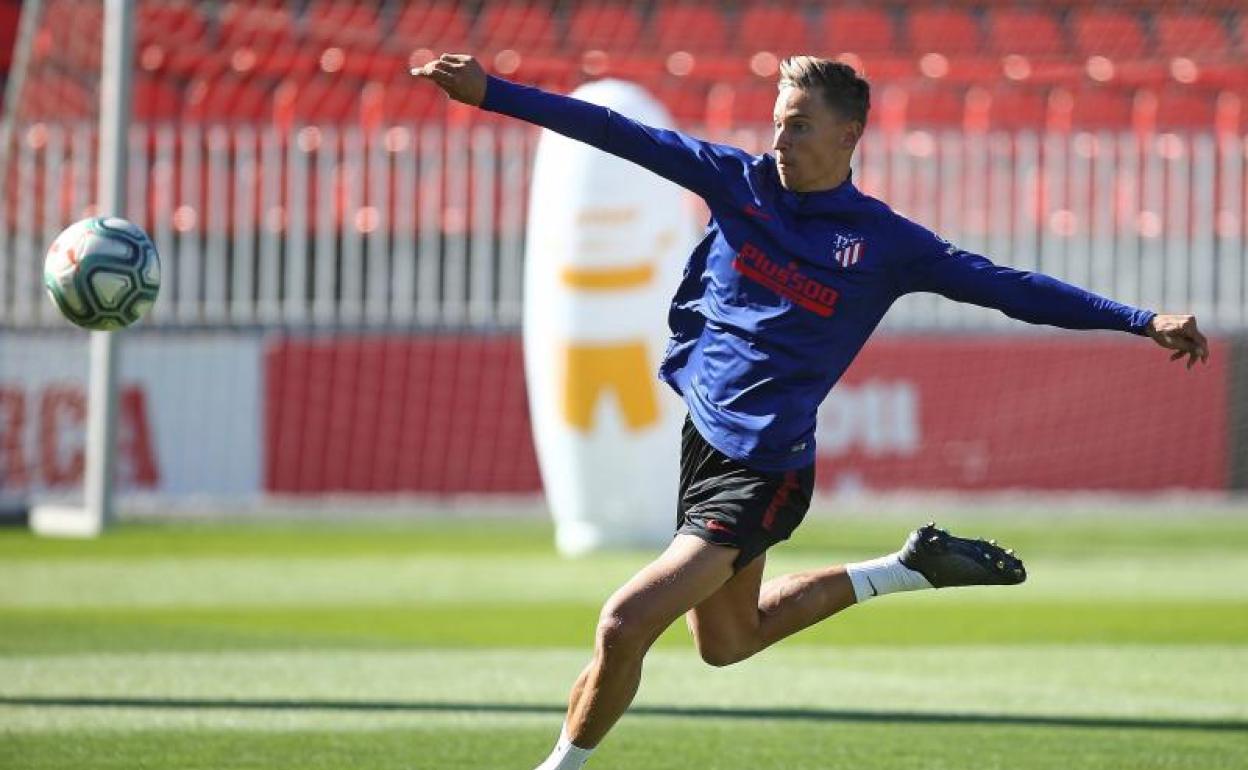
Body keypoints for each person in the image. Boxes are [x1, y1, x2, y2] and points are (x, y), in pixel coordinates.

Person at [414, 53, 1209, 770]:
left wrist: (1139, 320)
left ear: (848, 136)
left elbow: (1012, 287)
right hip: (705, 445)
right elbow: (613, 132)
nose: (780, 140)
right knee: (728, 644)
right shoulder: (740, 183)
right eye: (777, 123)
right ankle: (906, 570)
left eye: (798, 125)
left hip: (766, 470)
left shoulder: (883, 242)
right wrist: (493, 95)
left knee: (625, 623)